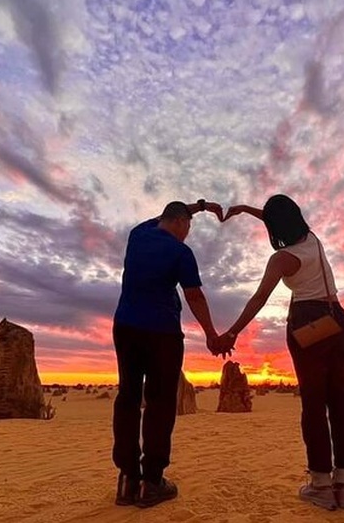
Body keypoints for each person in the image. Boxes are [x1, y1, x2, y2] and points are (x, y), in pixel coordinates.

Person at [217, 194, 344, 510]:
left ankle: (321, 485)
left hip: (308, 321)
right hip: (338, 319)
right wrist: (246, 210)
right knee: (341, 404)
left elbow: (258, 299)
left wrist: (232, 332)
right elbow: (280, 219)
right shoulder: (313, 240)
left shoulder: (282, 259)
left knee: (313, 405)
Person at [112, 199, 226, 508]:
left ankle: (127, 480)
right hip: (162, 332)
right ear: (180, 223)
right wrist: (211, 334)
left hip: (126, 327)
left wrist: (199, 207)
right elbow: (194, 295)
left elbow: (166, 214)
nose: (186, 233)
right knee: (161, 403)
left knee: (128, 398)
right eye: (187, 227)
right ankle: (151, 482)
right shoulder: (180, 252)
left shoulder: (138, 234)